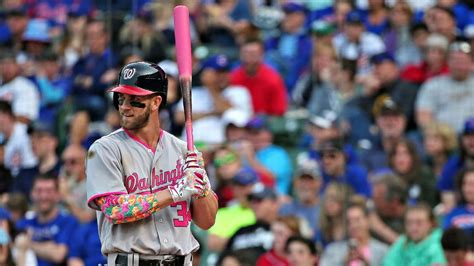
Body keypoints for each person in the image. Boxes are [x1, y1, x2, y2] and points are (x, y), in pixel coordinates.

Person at [86, 61, 218, 265]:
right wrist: (175, 192)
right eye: (120, 99)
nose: (124, 107)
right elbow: (115, 209)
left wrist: (200, 188)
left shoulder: (185, 151)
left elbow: (207, 221)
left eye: (134, 100)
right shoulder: (105, 149)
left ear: (156, 102)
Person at [14, 175, 78, 266]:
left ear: (58, 194)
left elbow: (58, 255)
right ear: (32, 194)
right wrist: (48, 247)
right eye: (39, 191)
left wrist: (29, 244)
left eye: (49, 191)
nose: (43, 196)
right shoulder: (23, 223)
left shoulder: (68, 222)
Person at [320, 198, 389, 266]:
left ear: (367, 221)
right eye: (349, 221)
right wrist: (343, 263)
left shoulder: (383, 251)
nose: (353, 225)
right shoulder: (333, 251)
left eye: (357, 220)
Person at [383, 203, 447, 266]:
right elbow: (388, 263)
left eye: (419, 223)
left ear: (431, 223)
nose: (414, 228)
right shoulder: (402, 241)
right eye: (409, 223)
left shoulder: (440, 244)